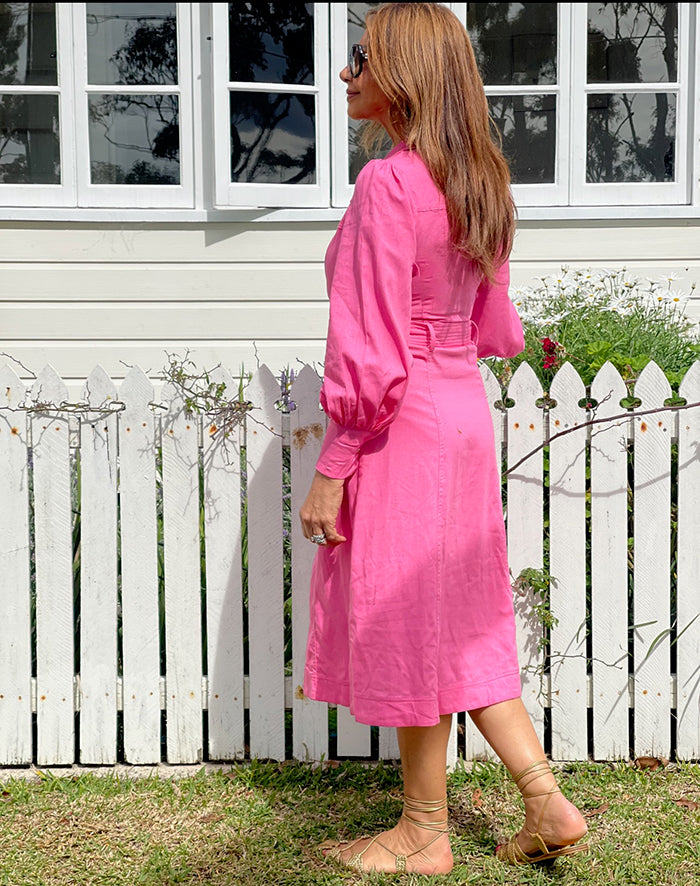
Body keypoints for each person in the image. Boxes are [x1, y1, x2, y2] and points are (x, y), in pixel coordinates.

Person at [299, 3, 588, 876]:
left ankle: (425, 830)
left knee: (411, 613)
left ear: (405, 74)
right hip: (461, 411)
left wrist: (334, 464)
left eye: (362, 57)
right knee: (459, 614)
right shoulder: (479, 181)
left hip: (405, 418)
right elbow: (495, 325)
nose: (348, 72)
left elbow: (373, 347)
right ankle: (543, 796)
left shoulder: (389, 183)